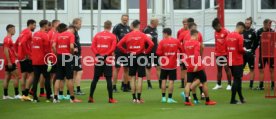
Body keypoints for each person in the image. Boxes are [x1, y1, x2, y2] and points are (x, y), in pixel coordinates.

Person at [117, 20, 154, 103]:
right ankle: (139, 98)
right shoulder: (143, 35)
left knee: (132, 77)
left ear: (132, 26)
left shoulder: (128, 35)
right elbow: (151, 44)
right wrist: (146, 51)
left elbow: (118, 45)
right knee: (140, 77)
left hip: (131, 56)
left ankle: (134, 98)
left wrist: (126, 51)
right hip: (140, 56)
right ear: (138, 26)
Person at [183, 29, 216, 106]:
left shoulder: (186, 43)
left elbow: (188, 53)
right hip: (198, 66)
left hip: (189, 65)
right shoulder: (197, 43)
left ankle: (187, 100)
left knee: (188, 83)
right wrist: (196, 65)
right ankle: (207, 100)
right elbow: (197, 54)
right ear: (196, 35)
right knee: (204, 82)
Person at [88, 20, 118, 103]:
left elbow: (92, 46)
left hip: (98, 59)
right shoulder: (112, 36)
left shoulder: (97, 35)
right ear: (110, 26)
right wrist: (106, 55)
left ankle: (90, 97)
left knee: (95, 79)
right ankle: (110, 98)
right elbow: (113, 48)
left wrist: (97, 54)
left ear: (104, 26)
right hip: (107, 59)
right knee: (108, 79)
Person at [52, 24, 82, 103]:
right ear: (66, 28)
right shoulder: (70, 35)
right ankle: (72, 98)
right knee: (69, 78)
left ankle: (55, 97)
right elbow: (72, 46)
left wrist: (56, 54)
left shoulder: (57, 35)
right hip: (67, 56)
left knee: (58, 77)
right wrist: (71, 54)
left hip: (59, 56)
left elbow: (53, 45)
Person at [156, 28, 182, 103]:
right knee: (171, 81)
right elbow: (182, 49)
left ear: (166, 33)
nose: (163, 35)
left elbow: (158, 53)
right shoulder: (176, 41)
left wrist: (164, 53)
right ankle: (170, 98)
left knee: (163, 80)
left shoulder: (162, 42)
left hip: (164, 64)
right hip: (172, 65)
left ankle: (163, 98)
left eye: (163, 34)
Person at [225, 22, 247, 104]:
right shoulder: (239, 37)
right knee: (237, 80)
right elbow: (240, 49)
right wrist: (246, 52)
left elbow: (226, 48)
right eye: (243, 30)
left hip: (230, 60)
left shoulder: (228, 35)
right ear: (240, 28)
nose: (243, 31)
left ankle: (241, 98)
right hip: (237, 61)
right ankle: (232, 100)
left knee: (237, 80)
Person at [30, 20, 52, 102]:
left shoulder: (35, 34)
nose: (48, 26)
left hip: (35, 60)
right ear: (45, 25)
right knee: (47, 77)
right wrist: (49, 59)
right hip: (43, 60)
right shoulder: (45, 35)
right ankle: (48, 96)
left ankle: (35, 97)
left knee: (36, 78)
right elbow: (47, 49)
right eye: (47, 25)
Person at [15, 19, 36, 101]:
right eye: (34, 25)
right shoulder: (28, 32)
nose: (34, 27)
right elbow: (23, 43)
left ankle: (23, 94)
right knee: (32, 74)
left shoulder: (22, 32)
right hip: (27, 57)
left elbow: (16, 43)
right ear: (30, 24)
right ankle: (26, 94)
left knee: (23, 75)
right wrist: (27, 53)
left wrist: (17, 53)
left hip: (21, 57)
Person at [212, 18, 232, 90]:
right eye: (214, 28)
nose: (215, 29)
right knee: (219, 70)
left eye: (215, 28)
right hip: (218, 54)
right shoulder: (215, 32)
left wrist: (229, 53)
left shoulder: (226, 32)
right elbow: (216, 43)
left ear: (219, 25)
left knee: (227, 69)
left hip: (225, 53)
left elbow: (230, 42)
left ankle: (229, 85)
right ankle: (219, 84)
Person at [112, 14, 131, 92]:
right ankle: (114, 86)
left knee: (126, 68)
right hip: (119, 51)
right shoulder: (117, 27)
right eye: (124, 19)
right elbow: (113, 39)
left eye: (126, 19)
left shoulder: (128, 28)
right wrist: (113, 50)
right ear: (121, 19)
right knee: (117, 68)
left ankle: (125, 86)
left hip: (126, 51)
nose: (125, 21)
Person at [2, 24, 21, 100]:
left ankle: (5, 95)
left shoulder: (8, 39)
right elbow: (5, 50)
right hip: (10, 61)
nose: (15, 31)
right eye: (13, 29)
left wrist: (16, 55)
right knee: (17, 76)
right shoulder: (7, 39)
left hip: (9, 61)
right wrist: (9, 61)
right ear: (9, 29)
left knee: (7, 77)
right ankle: (16, 94)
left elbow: (10, 50)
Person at [256, 19, 275, 90]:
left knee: (272, 69)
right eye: (269, 24)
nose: (270, 26)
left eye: (271, 24)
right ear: (264, 24)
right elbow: (256, 42)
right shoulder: (259, 31)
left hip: (270, 54)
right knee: (261, 70)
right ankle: (261, 86)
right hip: (262, 54)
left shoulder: (272, 31)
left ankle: (273, 85)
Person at [143, 18, 160, 89]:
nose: (158, 24)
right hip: (149, 52)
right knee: (148, 68)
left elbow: (156, 39)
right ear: (153, 22)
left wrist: (159, 46)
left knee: (158, 67)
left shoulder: (155, 29)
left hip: (156, 51)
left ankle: (161, 83)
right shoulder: (146, 29)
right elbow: (143, 40)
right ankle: (149, 84)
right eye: (157, 22)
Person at [243, 17, 258, 89]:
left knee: (252, 69)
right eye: (246, 23)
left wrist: (252, 50)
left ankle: (251, 85)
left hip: (250, 53)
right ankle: (238, 84)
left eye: (248, 23)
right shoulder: (242, 31)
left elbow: (256, 42)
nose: (246, 24)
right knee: (240, 69)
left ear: (250, 24)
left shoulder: (253, 32)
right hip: (242, 53)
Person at [72, 18, 85, 95]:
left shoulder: (75, 32)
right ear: (75, 24)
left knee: (74, 72)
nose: (80, 25)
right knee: (79, 71)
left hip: (76, 55)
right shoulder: (73, 32)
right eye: (79, 24)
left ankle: (72, 89)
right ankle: (78, 89)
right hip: (75, 55)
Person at [177, 18, 190, 88]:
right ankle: (182, 83)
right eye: (184, 24)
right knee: (182, 68)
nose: (185, 25)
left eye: (186, 24)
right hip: (182, 53)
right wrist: (180, 50)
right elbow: (178, 42)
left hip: (189, 53)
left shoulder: (191, 32)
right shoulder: (180, 31)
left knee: (188, 68)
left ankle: (188, 82)